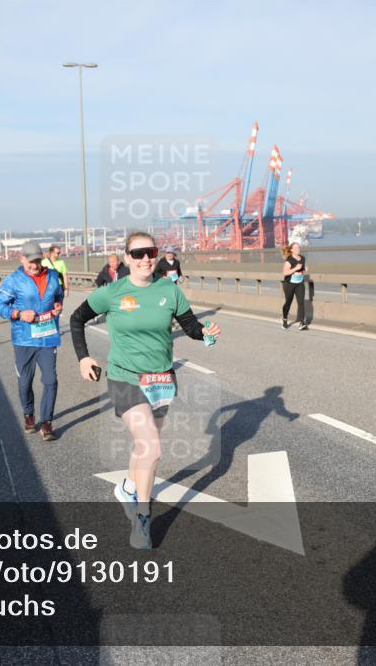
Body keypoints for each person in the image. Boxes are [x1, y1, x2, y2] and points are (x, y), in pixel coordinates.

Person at [70, 232, 221, 549]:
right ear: (126, 258)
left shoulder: (169, 290)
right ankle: (142, 517)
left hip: (161, 380)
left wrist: (205, 332)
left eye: (150, 252)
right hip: (125, 378)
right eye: (137, 254)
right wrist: (83, 357)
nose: (145, 259)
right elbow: (77, 318)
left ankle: (127, 487)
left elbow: (190, 325)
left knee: (144, 446)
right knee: (152, 448)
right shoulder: (112, 292)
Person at [0, 242, 64, 442]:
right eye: (31, 261)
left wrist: (58, 305)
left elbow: (58, 296)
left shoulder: (52, 276)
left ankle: (47, 423)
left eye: (38, 260)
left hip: (48, 336)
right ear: (22, 259)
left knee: (51, 380)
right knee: (25, 382)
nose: (35, 265)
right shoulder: (13, 280)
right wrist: (18, 313)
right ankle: (29, 414)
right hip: (24, 339)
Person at [281, 242, 308, 330]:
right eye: (295, 248)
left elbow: (301, 270)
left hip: (299, 283)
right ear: (291, 250)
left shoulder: (302, 258)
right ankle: (284, 319)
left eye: (298, 247)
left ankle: (302, 322)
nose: (297, 249)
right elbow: (285, 273)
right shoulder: (289, 260)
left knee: (301, 302)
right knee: (288, 302)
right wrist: (295, 268)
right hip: (289, 284)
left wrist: (304, 269)